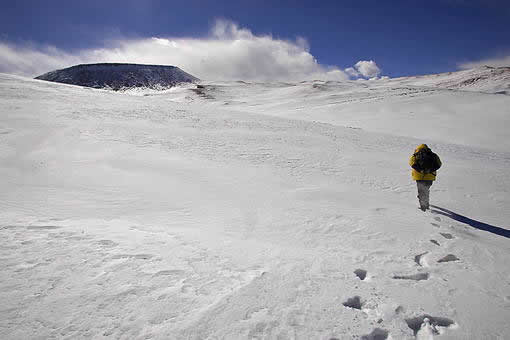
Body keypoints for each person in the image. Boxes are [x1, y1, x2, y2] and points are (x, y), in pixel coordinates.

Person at [409, 144, 442, 211]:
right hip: (430, 176)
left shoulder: (416, 154)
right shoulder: (433, 155)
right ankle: (424, 200)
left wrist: (420, 170)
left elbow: (411, 163)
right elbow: (439, 164)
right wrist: (430, 170)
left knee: (421, 190)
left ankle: (424, 208)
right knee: (425, 189)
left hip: (419, 176)